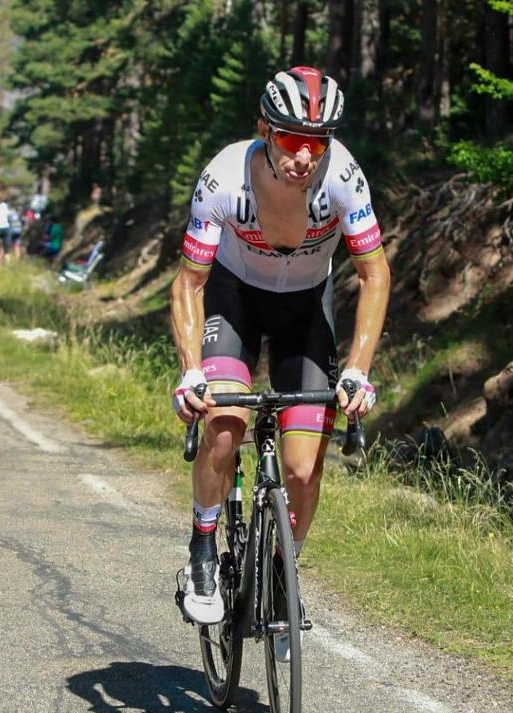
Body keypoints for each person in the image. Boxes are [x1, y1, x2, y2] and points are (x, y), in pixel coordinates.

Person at [169, 67, 389, 647]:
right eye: (292, 140)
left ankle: (284, 572)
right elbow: (188, 284)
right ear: (265, 131)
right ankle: (202, 546)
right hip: (233, 300)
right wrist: (191, 369)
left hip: (304, 312)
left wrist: (360, 369)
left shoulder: (343, 178)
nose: (305, 157)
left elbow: (375, 275)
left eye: (317, 142)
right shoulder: (223, 179)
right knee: (223, 425)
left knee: (301, 467)